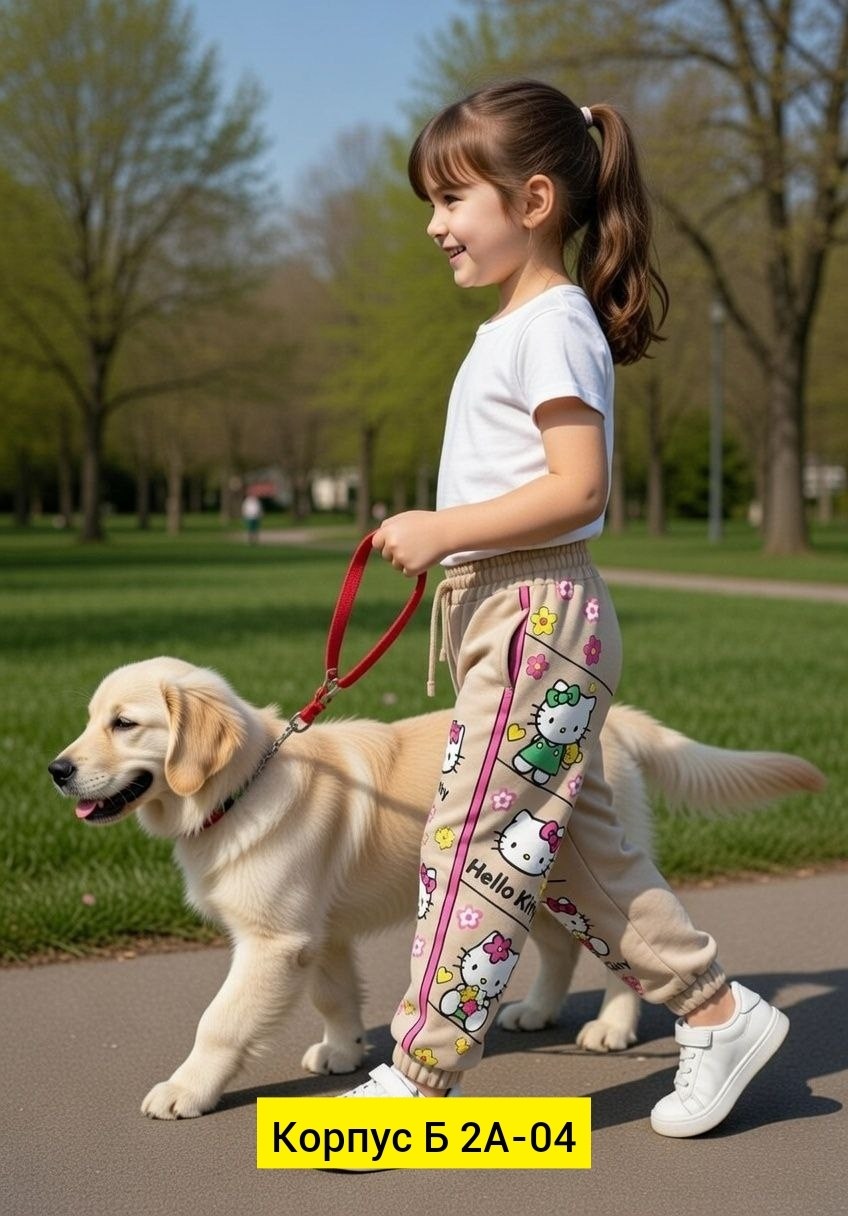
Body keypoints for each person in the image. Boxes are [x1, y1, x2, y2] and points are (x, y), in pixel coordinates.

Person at [343, 80, 788, 1138]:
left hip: (534, 620)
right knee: (572, 860)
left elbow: (579, 489)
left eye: (453, 199)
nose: (434, 223)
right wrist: (455, 555)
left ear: (534, 200)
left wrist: (445, 529)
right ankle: (717, 1013)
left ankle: (417, 1080)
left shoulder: (552, 324)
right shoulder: (519, 323)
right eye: (431, 201)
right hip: (513, 619)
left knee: (469, 844)